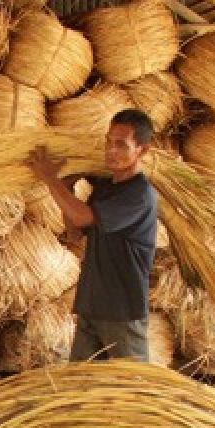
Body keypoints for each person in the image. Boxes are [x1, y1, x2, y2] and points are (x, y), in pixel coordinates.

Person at [27, 109, 158, 363]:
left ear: (142, 150)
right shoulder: (106, 188)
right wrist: (66, 186)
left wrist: (50, 179)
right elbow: (76, 231)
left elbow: (82, 217)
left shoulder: (140, 194)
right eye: (108, 142)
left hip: (122, 311)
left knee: (134, 388)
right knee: (82, 386)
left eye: (121, 145)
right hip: (92, 305)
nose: (111, 150)